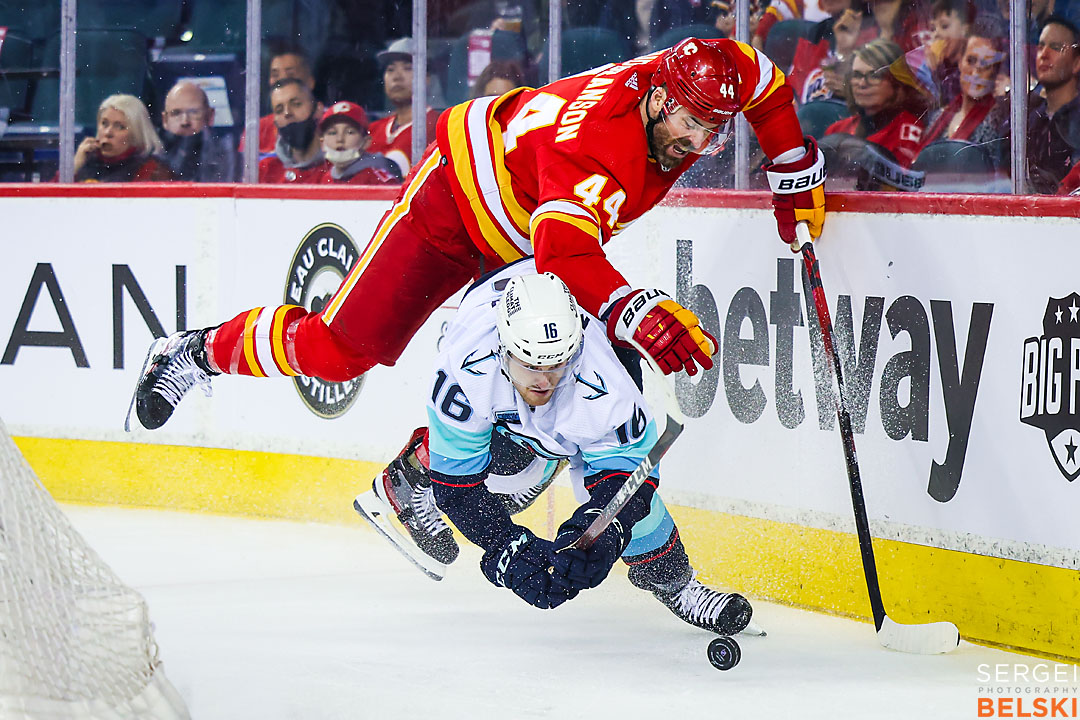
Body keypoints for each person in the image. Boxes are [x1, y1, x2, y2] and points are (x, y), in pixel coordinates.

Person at [128, 39, 826, 562]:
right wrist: (635, 310)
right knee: (338, 352)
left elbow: (765, 84)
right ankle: (193, 353)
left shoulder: (702, 70)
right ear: (660, 97)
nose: (699, 142)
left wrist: (793, 167)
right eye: (691, 124)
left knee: (543, 373)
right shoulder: (597, 149)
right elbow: (563, 254)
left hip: (528, 220)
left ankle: (415, 477)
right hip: (455, 206)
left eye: (714, 128)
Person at [366, 263, 754, 633]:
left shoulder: (608, 384)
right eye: (531, 366)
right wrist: (506, 548)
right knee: (507, 485)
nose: (544, 381)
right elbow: (459, 489)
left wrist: (605, 528)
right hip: (502, 285)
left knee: (635, 510)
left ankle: (676, 585)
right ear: (503, 350)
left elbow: (630, 483)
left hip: (584, 362)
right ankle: (414, 471)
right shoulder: (465, 371)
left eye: (556, 365)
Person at [826, 38, 930, 167]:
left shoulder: (908, 131)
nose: (862, 83)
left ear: (897, 82)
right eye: (857, 75)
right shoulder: (837, 129)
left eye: (874, 76)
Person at [917, 20, 1009, 160]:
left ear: (995, 72)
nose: (975, 73)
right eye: (971, 61)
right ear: (960, 62)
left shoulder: (998, 122)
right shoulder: (939, 116)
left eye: (986, 65)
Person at [367, 37, 442, 178]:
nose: (397, 77)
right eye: (390, 69)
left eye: (408, 68)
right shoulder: (373, 130)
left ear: (426, 78)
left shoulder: (439, 127)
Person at [1027, 16, 1080, 194]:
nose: (1044, 54)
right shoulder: (1027, 118)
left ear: (1077, 63)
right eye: (1040, 46)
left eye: (1056, 47)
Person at [72, 94, 173, 183]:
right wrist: (73, 167)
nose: (107, 133)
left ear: (136, 133)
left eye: (119, 127)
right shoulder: (85, 161)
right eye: (104, 123)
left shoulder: (152, 169)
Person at [242, 45, 317, 159]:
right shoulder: (257, 129)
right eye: (275, 75)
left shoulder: (331, 122)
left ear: (310, 82)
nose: (282, 80)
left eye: (290, 74)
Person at [159, 81, 238, 182]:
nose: (185, 122)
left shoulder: (229, 158)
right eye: (176, 113)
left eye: (194, 112)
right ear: (165, 120)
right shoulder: (153, 163)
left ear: (210, 116)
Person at [258, 78, 326, 184]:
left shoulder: (338, 168)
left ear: (318, 110)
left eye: (296, 104)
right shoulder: (265, 170)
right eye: (279, 110)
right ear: (275, 121)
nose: (287, 113)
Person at [317, 101, 402, 185]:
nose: (340, 139)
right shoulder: (326, 178)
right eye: (332, 133)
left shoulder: (378, 179)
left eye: (350, 132)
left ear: (366, 142)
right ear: (322, 143)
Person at [924, 0, 976, 106]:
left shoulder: (974, 66)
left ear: (965, 29)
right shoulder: (939, 66)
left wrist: (936, 73)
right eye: (933, 29)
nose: (936, 34)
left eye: (944, 26)